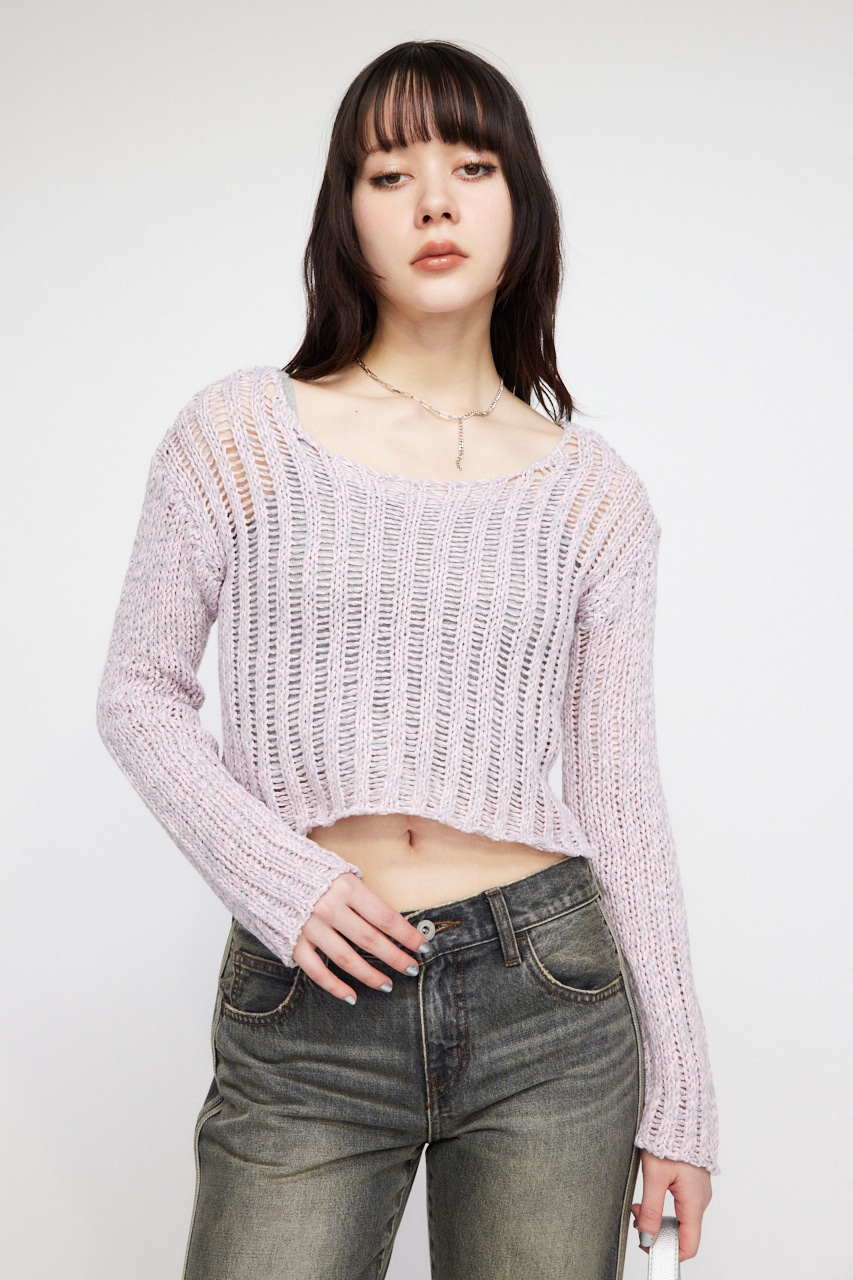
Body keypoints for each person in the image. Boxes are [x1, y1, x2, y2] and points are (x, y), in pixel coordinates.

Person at [96, 39, 718, 1280]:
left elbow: (619, 797)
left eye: (471, 167)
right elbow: (138, 694)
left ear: (520, 207)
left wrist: (684, 1095)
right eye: (390, 174)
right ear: (347, 218)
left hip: (552, 1002)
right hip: (309, 995)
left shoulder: (594, 497)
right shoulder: (236, 434)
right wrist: (282, 881)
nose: (434, 200)